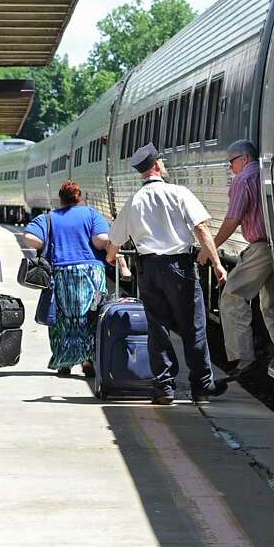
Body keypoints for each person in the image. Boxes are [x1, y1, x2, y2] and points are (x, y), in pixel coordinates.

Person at [105, 144, 228, 405]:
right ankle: (201, 387)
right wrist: (217, 263)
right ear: (157, 166)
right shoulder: (179, 193)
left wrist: (111, 258)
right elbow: (201, 228)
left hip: (148, 269)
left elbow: (113, 243)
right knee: (193, 326)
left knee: (157, 327)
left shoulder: (134, 201)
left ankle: (164, 388)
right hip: (180, 267)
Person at [212, 140, 274, 381]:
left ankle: (244, 359)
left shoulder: (243, 179)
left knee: (232, 295)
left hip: (261, 248)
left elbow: (232, 219)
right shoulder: (267, 173)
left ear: (244, 159)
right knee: (270, 304)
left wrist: (210, 248)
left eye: (231, 162)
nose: (230, 168)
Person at [23, 181, 111, 377]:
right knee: (90, 317)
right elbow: (101, 240)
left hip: (61, 273)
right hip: (91, 273)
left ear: (60, 199)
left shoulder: (49, 218)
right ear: (79, 198)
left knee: (62, 319)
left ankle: (64, 362)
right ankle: (88, 360)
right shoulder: (91, 214)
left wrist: (46, 243)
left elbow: (30, 237)